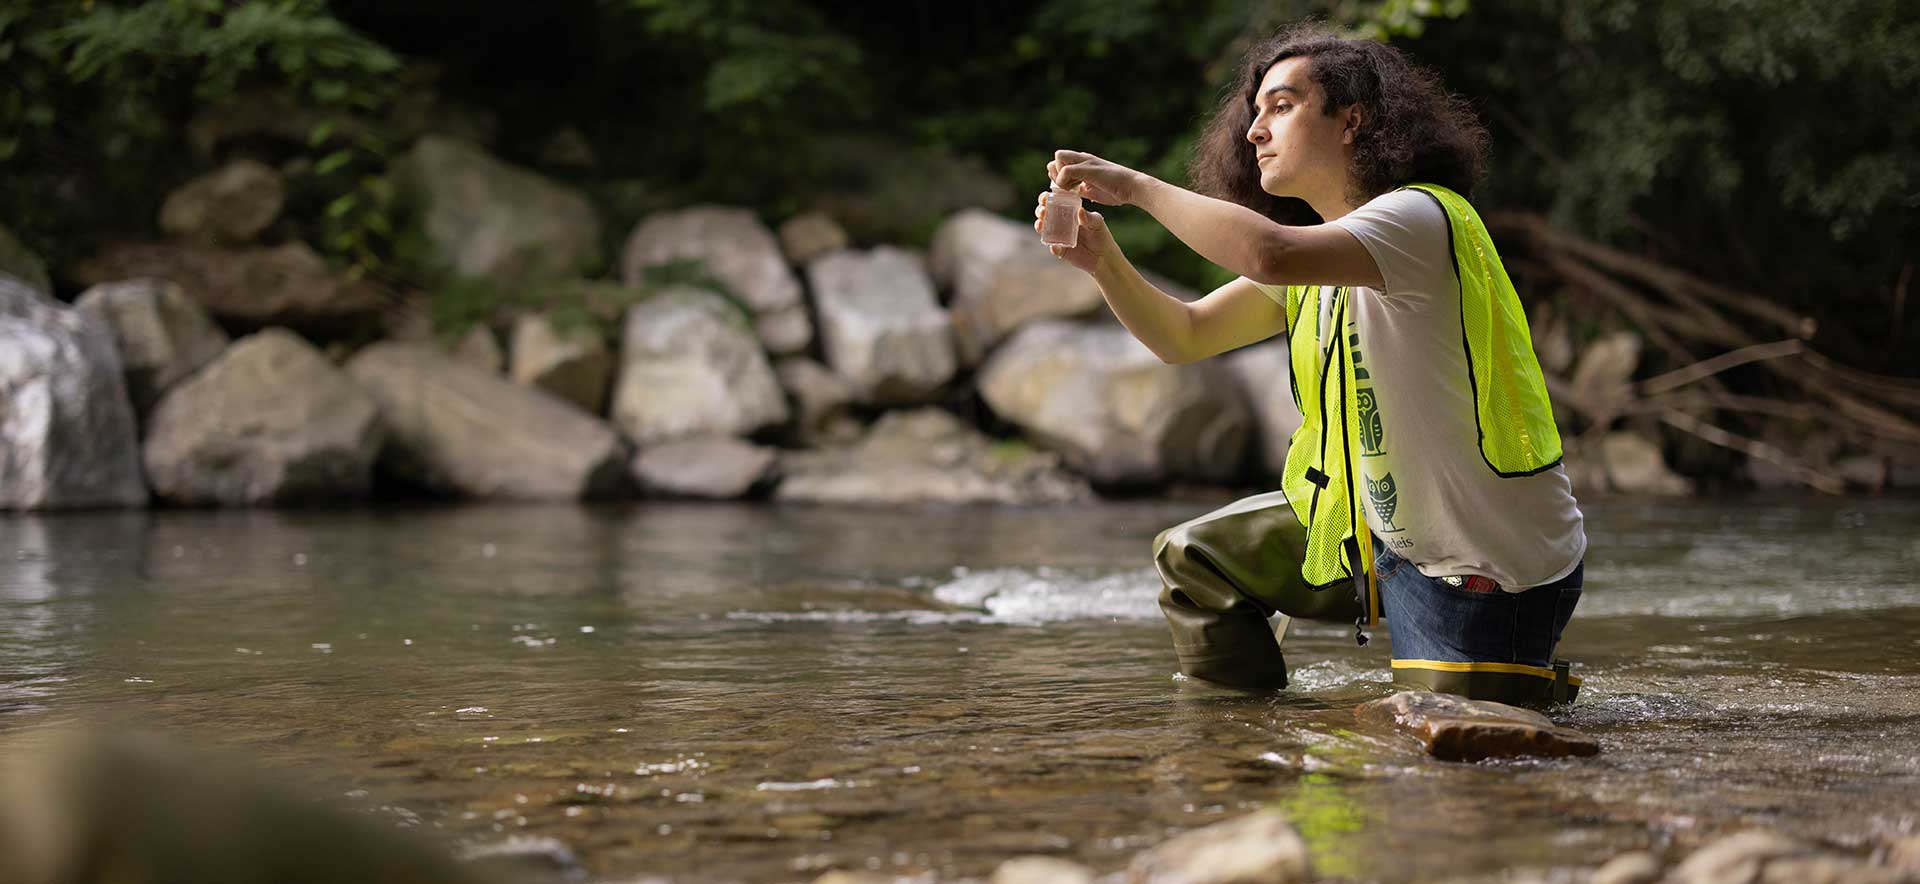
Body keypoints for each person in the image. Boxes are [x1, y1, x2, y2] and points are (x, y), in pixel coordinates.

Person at [1034, 22, 1587, 706]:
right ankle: (1247, 748)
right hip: (1370, 533)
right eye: (1254, 112)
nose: (1254, 131)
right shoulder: (1314, 257)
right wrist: (1103, 263)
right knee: (1196, 559)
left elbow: (1271, 253)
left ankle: (1523, 686)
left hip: (1486, 564)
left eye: (1282, 106)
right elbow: (1184, 334)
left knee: (1451, 760)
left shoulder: (1418, 218)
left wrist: (1139, 188)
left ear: (1352, 120)